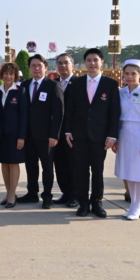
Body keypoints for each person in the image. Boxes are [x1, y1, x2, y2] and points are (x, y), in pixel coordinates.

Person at [65, 48, 121, 218]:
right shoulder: (76, 83)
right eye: (89, 60)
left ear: (101, 62)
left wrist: (112, 135)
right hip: (79, 135)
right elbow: (70, 110)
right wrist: (68, 131)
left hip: (100, 136)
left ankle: (97, 202)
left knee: (97, 171)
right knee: (81, 171)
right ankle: (83, 203)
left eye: (95, 60)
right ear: (84, 63)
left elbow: (114, 112)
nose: (92, 63)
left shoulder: (110, 84)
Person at [17, 54, 64, 209]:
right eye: (33, 66)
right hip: (28, 135)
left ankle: (47, 196)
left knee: (47, 167)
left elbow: (59, 112)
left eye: (39, 66)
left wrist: (54, 135)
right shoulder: (24, 85)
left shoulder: (53, 85)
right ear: (29, 68)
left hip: (46, 136)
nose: (36, 68)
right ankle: (32, 193)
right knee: (31, 166)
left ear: (46, 68)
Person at [112, 60, 140, 220]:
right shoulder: (121, 92)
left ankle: (137, 206)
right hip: (124, 133)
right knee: (128, 171)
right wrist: (116, 138)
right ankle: (132, 204)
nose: (129, 77)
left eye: (133, 74)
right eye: (127, 74)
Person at [0, 62, 28, 208]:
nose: (8, 76)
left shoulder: (20, 91)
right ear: (2, 75)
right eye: (6, 74)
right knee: (4, 163)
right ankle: (9, 192)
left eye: (11, 74)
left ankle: (12, 195)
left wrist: (22, 136)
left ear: (15, 76)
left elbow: (24, 116)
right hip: (1, 134)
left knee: (13, 163)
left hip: (15, 135)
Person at [52, 53, 77, 207]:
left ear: (72, 65)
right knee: (60, 165)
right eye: (60, 63)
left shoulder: (80, 83)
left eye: (66, 63)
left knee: (74, 165)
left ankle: (75, 195)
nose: (63, 66)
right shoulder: (52, 84)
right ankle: (65, 193)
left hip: (74, 133)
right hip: (57, 132)